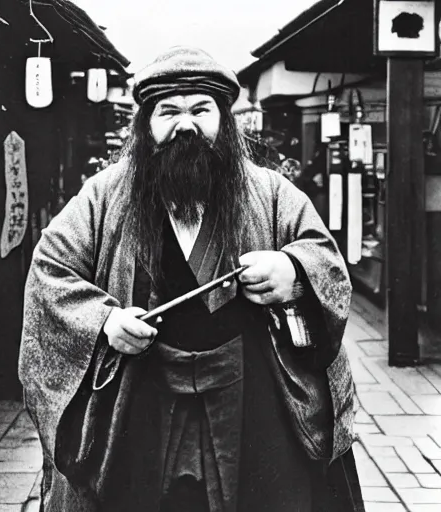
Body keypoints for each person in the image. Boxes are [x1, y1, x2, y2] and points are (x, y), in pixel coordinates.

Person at [19, 46, 364, 512]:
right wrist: (103, 321)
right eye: (169, 112)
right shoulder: (104, 195)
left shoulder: (271, 191)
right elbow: (50, 272)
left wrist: (294, 273)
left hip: (252, 390)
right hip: (140, 392)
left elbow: (325, 262)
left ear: (224, 121)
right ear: (145, 125)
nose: (186, 125)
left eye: (201, 110)